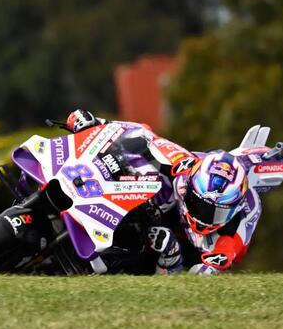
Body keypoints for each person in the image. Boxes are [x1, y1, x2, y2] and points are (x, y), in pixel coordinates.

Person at [63, 109, 262, 275]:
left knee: (167, 244)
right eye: (199, 204)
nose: (204, 216)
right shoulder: (184, 166)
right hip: (137, 205)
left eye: (216, 212)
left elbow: (222, 256)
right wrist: (98, 123)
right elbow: (144, 133)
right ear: (191, 187)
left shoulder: (239, 222)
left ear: (233, 209)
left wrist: (178, 257)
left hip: (159, 257)